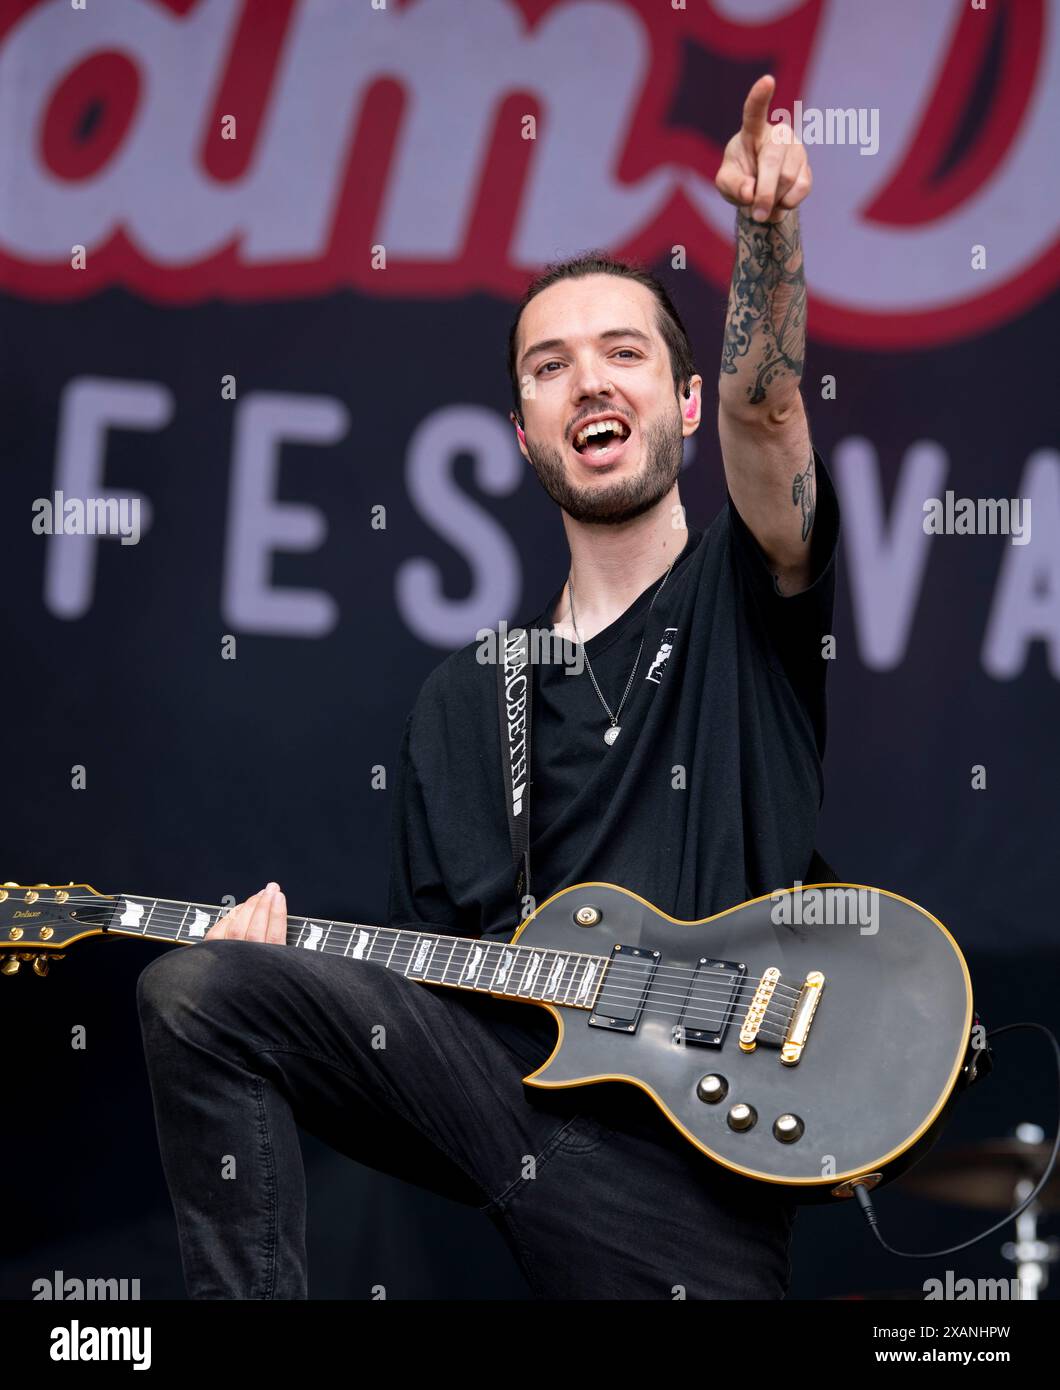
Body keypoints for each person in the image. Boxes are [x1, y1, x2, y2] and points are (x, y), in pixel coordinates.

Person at [136, 73, 838, 1300]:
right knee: (197, 987)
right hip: (520, 1114)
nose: (591, 383)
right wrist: (276, 968)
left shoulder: (745, 594)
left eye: (623, 353)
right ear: (524, 431)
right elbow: (452, 992)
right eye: (550, 367)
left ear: (677, 402)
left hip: (703, 1163)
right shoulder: (469, 701)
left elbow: (767, 406)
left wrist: (765, 236)